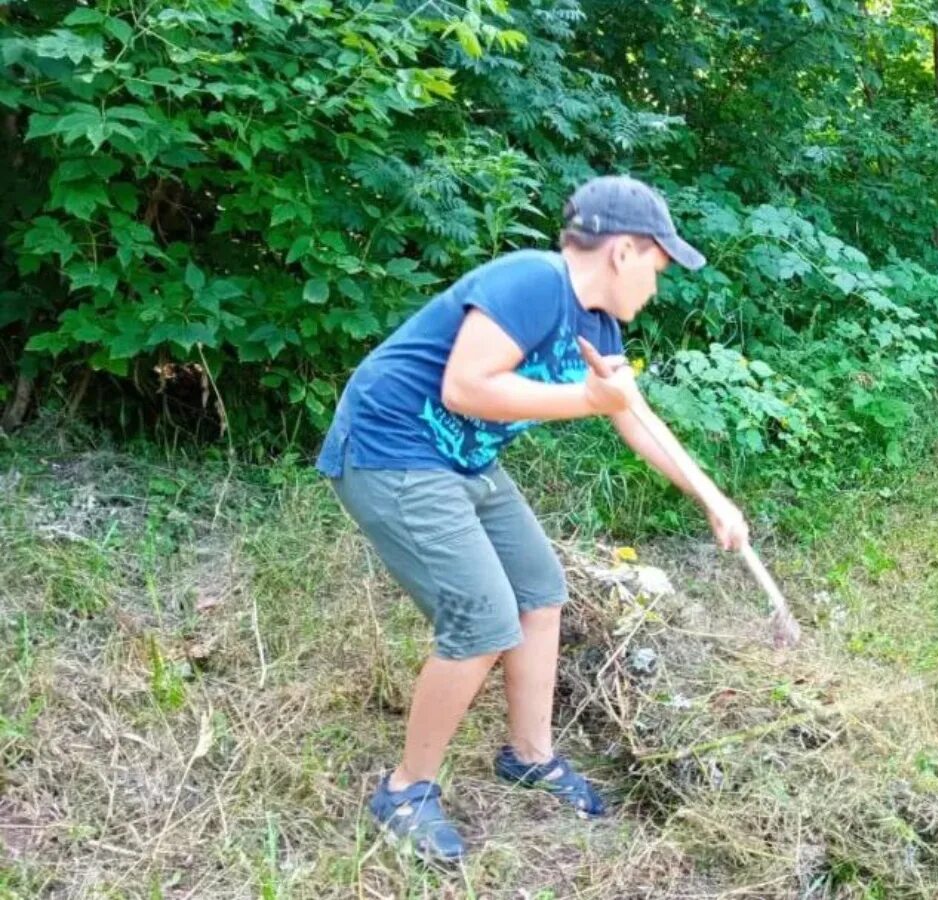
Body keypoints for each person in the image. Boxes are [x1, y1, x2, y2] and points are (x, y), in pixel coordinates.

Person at [314, 175, 750, 864]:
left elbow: (631, 415)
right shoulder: (533, 280)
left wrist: (712, 499)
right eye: (659, 269)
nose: (657, 289)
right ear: (625, 253)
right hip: (391, 452)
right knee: (483, 618)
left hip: (462, 461)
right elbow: (466, 386)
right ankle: (404, 790)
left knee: (540, 592)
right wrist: (586, 398)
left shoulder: (596, 325)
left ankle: (529, 755)